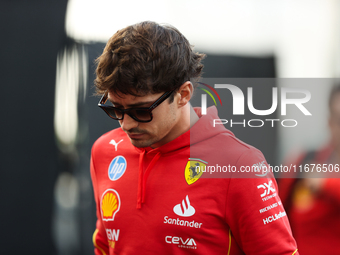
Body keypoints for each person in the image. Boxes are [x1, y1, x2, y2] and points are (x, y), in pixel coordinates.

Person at [90, 21, 299, 255]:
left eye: (141, 111)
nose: (126, 124)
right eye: (116, 109)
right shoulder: (104, 151)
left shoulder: (240, 165)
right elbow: (105, 246)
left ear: (183, 94)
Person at [279, 85, 340, 255]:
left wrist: (326, 184)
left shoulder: (319, 178)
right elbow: (277, 215)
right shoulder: (304, 162)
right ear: (330, 123)